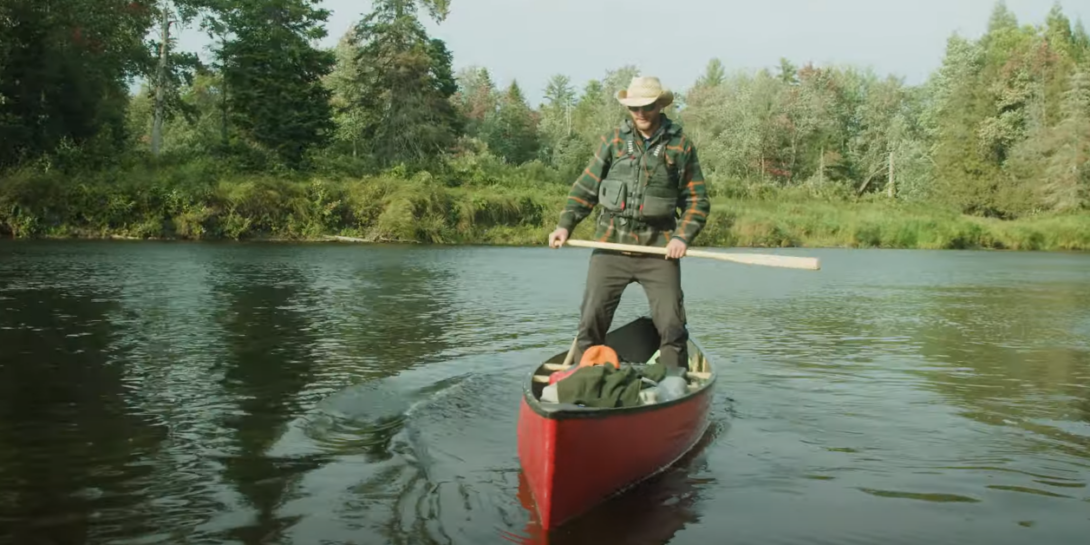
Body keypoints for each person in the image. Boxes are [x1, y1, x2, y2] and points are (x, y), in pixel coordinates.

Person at [548, 76, 711, 371]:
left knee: (672, 325)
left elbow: (697, 201)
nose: (640, 114)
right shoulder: (613, 141)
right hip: (610, 245)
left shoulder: (680, 146)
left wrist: (682, 237)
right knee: (590, 321)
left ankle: (674, 383)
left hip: (658, 249)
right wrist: (565, 225)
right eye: (633, 107)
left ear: (660, 105)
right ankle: (587, 379)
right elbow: (585, 189)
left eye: (646, 107)